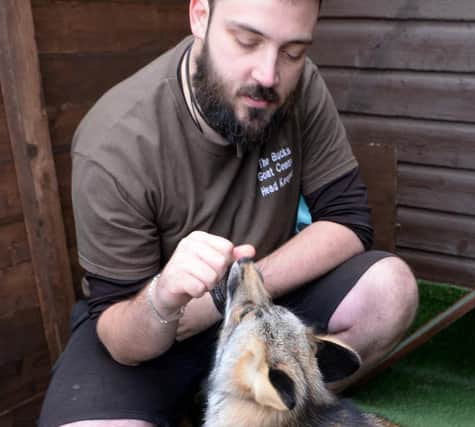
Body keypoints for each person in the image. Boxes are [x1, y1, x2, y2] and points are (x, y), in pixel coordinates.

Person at [38, 0, 418, 425]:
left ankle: (256, 409)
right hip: (158, 331)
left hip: (266, 312)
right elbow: (120, 336)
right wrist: (165, 297)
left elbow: (348, 221)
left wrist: (234, 297)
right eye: (247, 41)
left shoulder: (300, 85)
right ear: (200, 16)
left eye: (293, 51)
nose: (269, 76)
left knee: (390, 292)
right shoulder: (114, 143)